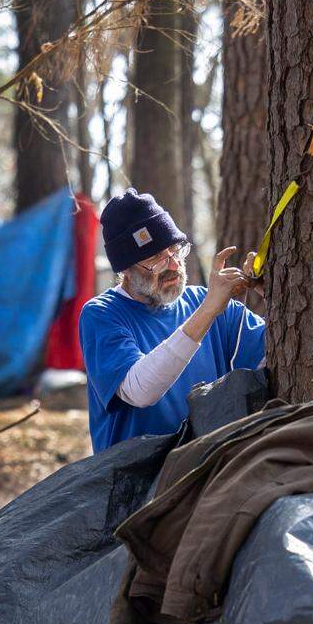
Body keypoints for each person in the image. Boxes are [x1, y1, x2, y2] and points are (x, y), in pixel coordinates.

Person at [81, 188, 266, 453]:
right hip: (134, 480)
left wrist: (276, 295)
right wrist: (207, 311)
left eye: (175, 250)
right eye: (156, 258)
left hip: (206, 468)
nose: (174, 266)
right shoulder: (102, 314)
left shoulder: (206, 301)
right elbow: (139, 391)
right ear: (125, 269)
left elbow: (275, 356)